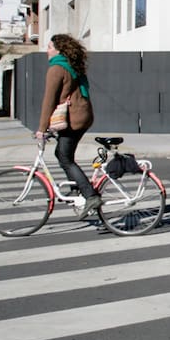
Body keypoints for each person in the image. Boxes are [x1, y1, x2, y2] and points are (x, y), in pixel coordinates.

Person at [36, 34, 99, 216]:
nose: (47, 51)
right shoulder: (71, 65)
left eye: (49, 47)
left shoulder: (56, 68)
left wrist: (41, 129)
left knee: (65, 157)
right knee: (62, 154)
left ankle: (90, 195)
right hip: (82, 115)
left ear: (58, 50)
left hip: (74, 119)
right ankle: (76, 188)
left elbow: (49, 101)